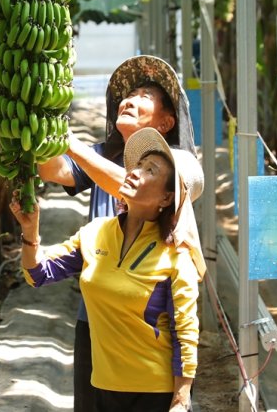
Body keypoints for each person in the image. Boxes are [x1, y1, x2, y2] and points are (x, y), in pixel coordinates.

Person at [38, 55, 201, 412]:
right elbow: (53, 171)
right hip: (97, 311)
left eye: (144, 95)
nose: (129, 99)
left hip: (147, 323)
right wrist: (38, 123)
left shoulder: (173, 166)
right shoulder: (102, 153)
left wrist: (70, 142)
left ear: (166, 120)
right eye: (128, 95)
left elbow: (127, 186)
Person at [11, 127, 205, 412]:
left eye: (150, 170)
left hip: (155, 392)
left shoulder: (176, 256)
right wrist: (31, 231)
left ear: (166, 199)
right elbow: (38, 274)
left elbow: (185, 332)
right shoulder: (96, 233)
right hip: (102, 386)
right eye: (138, 165)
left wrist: (181, 398)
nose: (135, 172)